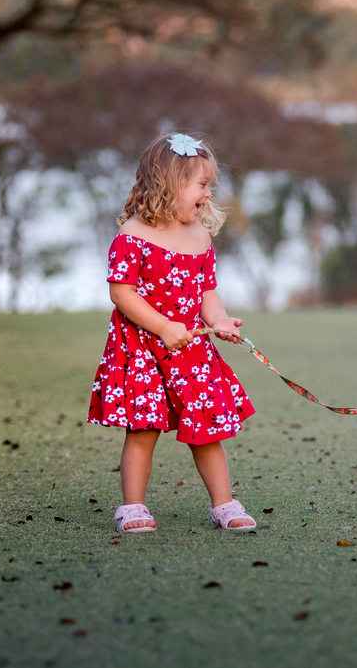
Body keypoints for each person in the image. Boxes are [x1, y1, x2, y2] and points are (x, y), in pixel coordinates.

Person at [88, 132, 256, 533]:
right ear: (169, 184)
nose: (207, 193)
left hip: (189, 352)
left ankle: (224, 504)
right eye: (201, 184)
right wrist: (163, 326)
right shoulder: (133, 235)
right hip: (142, 348)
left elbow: (206, 291)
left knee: (206, 430)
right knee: (143, 429)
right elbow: (121, 293)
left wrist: (218, 321)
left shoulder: (199, 236)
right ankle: (133, 507)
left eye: (209, 185)